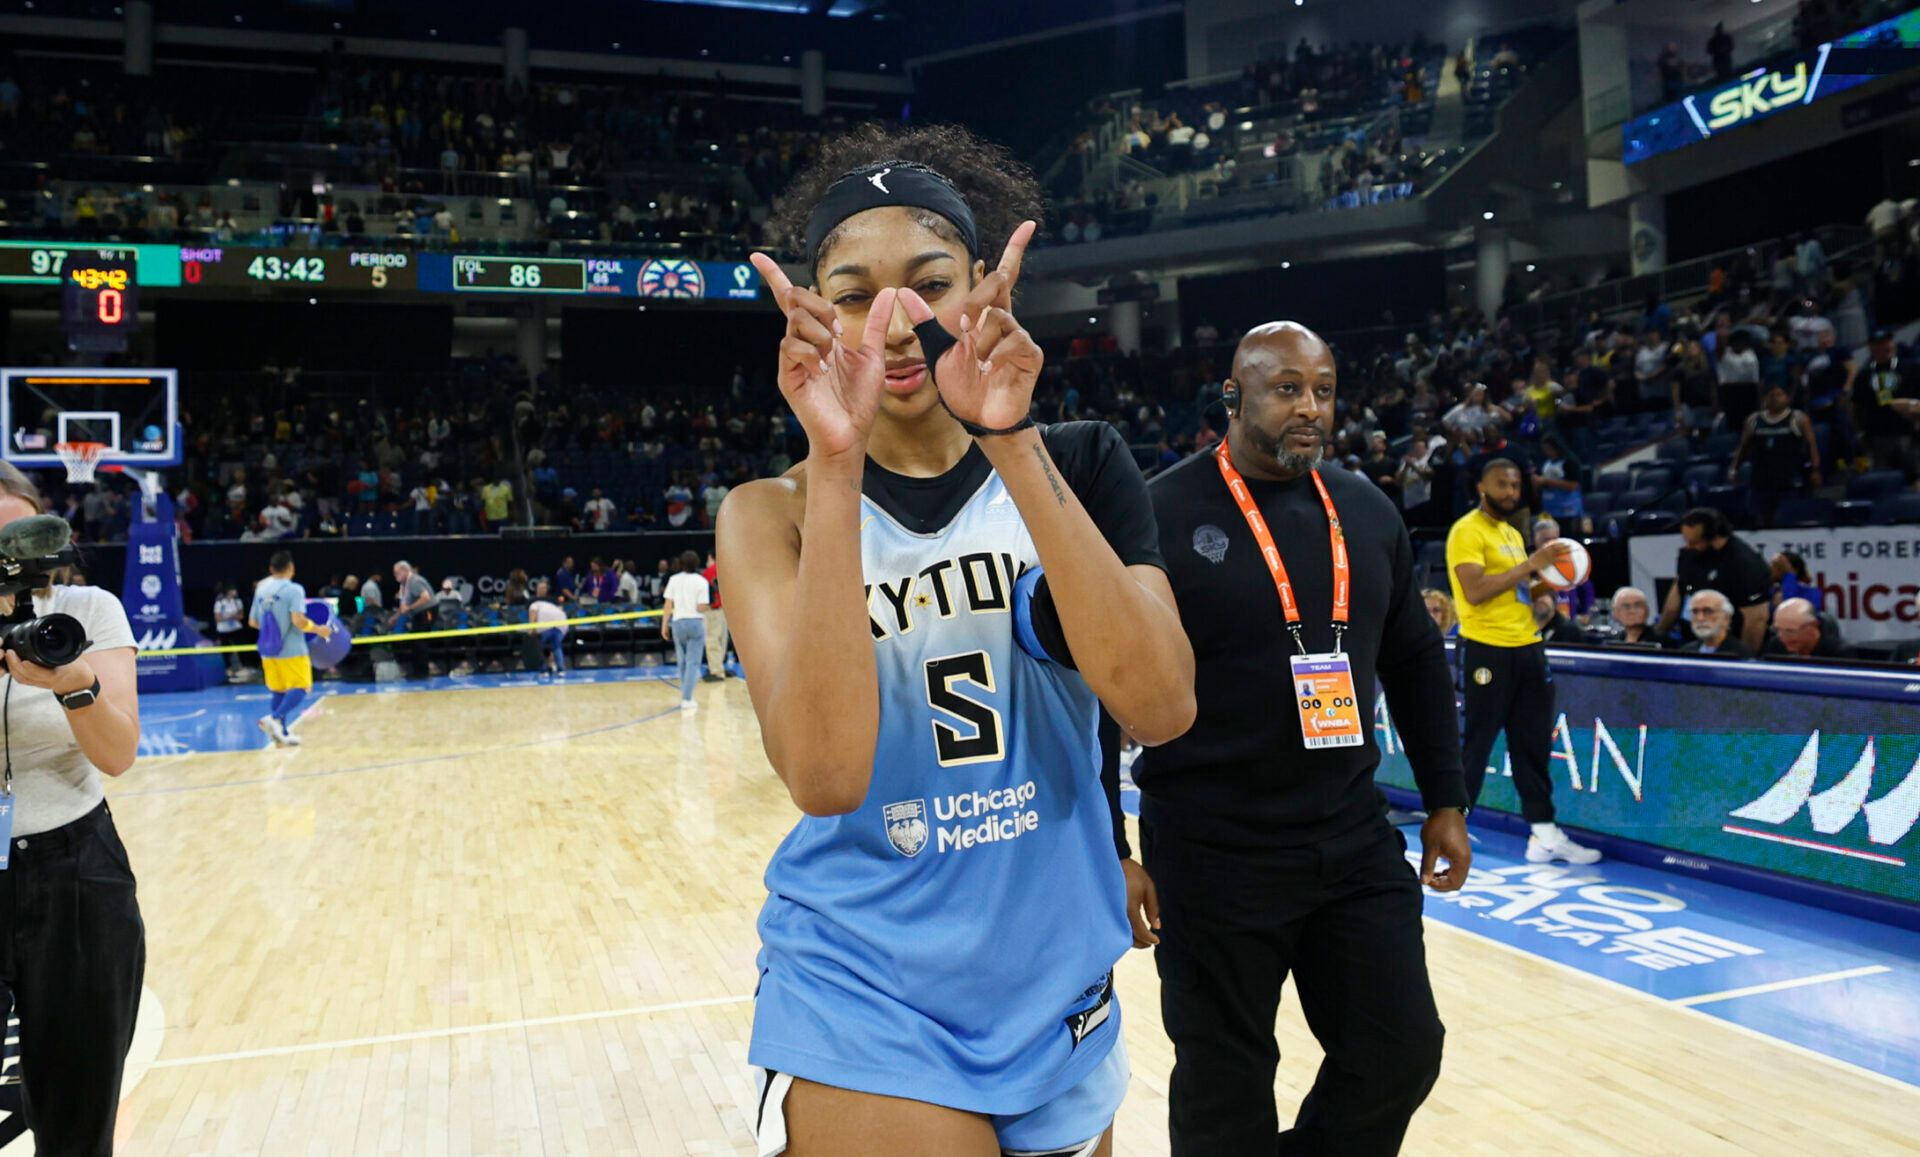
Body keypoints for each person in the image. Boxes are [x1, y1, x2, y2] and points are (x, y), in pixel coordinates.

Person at [722, 124, 1195, 1157]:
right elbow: (827, 773)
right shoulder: (773, 513)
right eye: (853, 295)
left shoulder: (1082, 462)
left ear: (984, 284)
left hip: (1057, 977)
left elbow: (1160, 706)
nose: (895, 323)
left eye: (929, 282)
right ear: (814, 315)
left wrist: (1009, 439)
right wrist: (837, 460)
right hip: (868, 982)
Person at [1121, 321, 1469, 1156]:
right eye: (1287, 388)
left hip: (1349, 836)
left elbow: (1416, 661)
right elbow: (1097, 688)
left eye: (1323, 389)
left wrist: (1448, 801)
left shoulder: (1366, 507)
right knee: (1224, 1077)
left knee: (1400, 1049)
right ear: (1234, 397)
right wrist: (1112, 841)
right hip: (1211, 848)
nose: (1310, 407)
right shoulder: (1157, 512)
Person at [0, 464, 144, 1155]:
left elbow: (117, 754)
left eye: (15, 533)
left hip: (76, 867)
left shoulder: (89, 611)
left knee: (78, 1122)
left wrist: (76, 681)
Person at [1446, 459, 1601, 864]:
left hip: (1528, 646)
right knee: (1477, 745)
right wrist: (1532, 565)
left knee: (1532, 745)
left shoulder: (1512, 532)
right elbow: (1476, 591)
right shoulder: (1466, 530)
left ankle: (1544, 835)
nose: (1511, 493)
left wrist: (1555, 579)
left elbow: (1515, 589)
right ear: (1482, 486)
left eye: (1515, 485)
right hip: (1486, 647)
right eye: (1502, 485)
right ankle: (1449, 833)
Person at [1654, 508, 1771, 653]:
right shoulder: (1690, 554)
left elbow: (1756, 620)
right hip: (1693, 643)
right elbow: (1677, 593)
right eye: (1686, 541)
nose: (1688, 546)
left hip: (1729, 646)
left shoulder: (1746, 564)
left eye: (1694, 542)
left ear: (1715, 539)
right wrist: (1658, 633)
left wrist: (1744, 659)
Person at [249, 550, 335, 746]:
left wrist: (273, 630)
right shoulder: (294, 589)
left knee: (279, 690)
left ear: (271, 569)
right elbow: (298, 620)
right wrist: (319, 630)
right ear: (291, 568)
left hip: (268, 650)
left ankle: (282, 735)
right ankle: (276, 718)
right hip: (292, 650)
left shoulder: (261, 590)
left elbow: (253, 622)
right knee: (302, 687)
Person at [1731, 382, 1820, 527]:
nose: (1774, 398)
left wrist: (1815, 469)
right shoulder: (1753, 420)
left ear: (1787, 398)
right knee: (1762, 518)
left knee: (1787, 517)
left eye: (1778, 394)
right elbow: (1743, 447)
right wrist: (1734, 468)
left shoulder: (1797, 418)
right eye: (1770, 395)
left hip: (1788, 477)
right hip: (1761, 477)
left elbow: (1811, 445)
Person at [1853, 327, 1920, 480]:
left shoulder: (1910, 368)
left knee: (1914, 477)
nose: (1886, 346)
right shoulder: (1865, 375)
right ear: (1871, 347)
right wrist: (1861, 432)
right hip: (1878, 436)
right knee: (1884, 479)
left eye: (1888, 341)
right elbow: (1857, 407)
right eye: (1880, 343)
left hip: (1909, 433)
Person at [661, 550, 710, 710]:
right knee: (693, 662)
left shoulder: (673, 580)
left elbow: (668, 604)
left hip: (678, 622)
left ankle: (686, 695)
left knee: (682, 661)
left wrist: (664, 625)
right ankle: (687, 698)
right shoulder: (701, 581)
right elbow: (701, 606)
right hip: (695, 621)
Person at [1765, 597, 1849, 659]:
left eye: (1790, 631)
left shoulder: (1839, 655)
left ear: (1813, 625)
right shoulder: (1775, 648)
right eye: (1778, 630)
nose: (1782, 637)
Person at [1680, 589, 1753, 657]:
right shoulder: (1686, 651)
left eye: (1708, 611)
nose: (1700, 618)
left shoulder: (1740, 654)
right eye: (1695, 612)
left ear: (1726, 618)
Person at [699, 551, 728, 682]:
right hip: (725, 609)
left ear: (710, 557)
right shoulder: (727, 568)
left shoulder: (707, 572)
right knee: (722, 640)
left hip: (712, 609)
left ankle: (716, 671)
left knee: (712, 640)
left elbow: (705, 592)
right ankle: (720, 667)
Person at [528, 581, 568, 676]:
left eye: (544, 588)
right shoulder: (534, 601)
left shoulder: (542, 603)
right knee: (556, 645)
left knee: (537, 646)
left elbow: (533, 615)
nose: (542, 589)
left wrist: (531, 629)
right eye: (540, 587)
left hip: (556, 625)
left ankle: (544, 669)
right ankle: (560, 669)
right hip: (557, 626)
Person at [213, 583, 246, 675]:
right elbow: (218, 618)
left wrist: (229, 617)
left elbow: (241, 615)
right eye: (233, 590)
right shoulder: (219, 603)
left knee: (241, 648)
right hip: (223, 630)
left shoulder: (238, 601)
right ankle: (228, 669)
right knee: (226, 650)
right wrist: (231, 617)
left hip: (236, 628)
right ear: (228, 592)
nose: (235, 592)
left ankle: (243, 667)